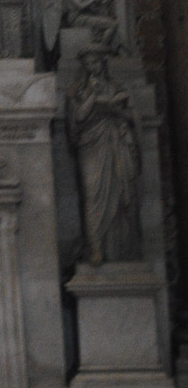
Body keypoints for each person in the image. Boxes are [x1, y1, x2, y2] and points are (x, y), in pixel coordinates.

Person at [66, 45, 141, 266]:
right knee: (93, 195)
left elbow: (132, 116)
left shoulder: (116, 87)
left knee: (121, 194)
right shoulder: (76, 91)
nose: (93, 67)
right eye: (88, 64)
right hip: (90, 146)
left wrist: (116, 110)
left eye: (96, 62)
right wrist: (93, 96)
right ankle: (95, 248)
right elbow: (78, 117)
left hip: (115, 141)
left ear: (103, 63)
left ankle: (119, 250)